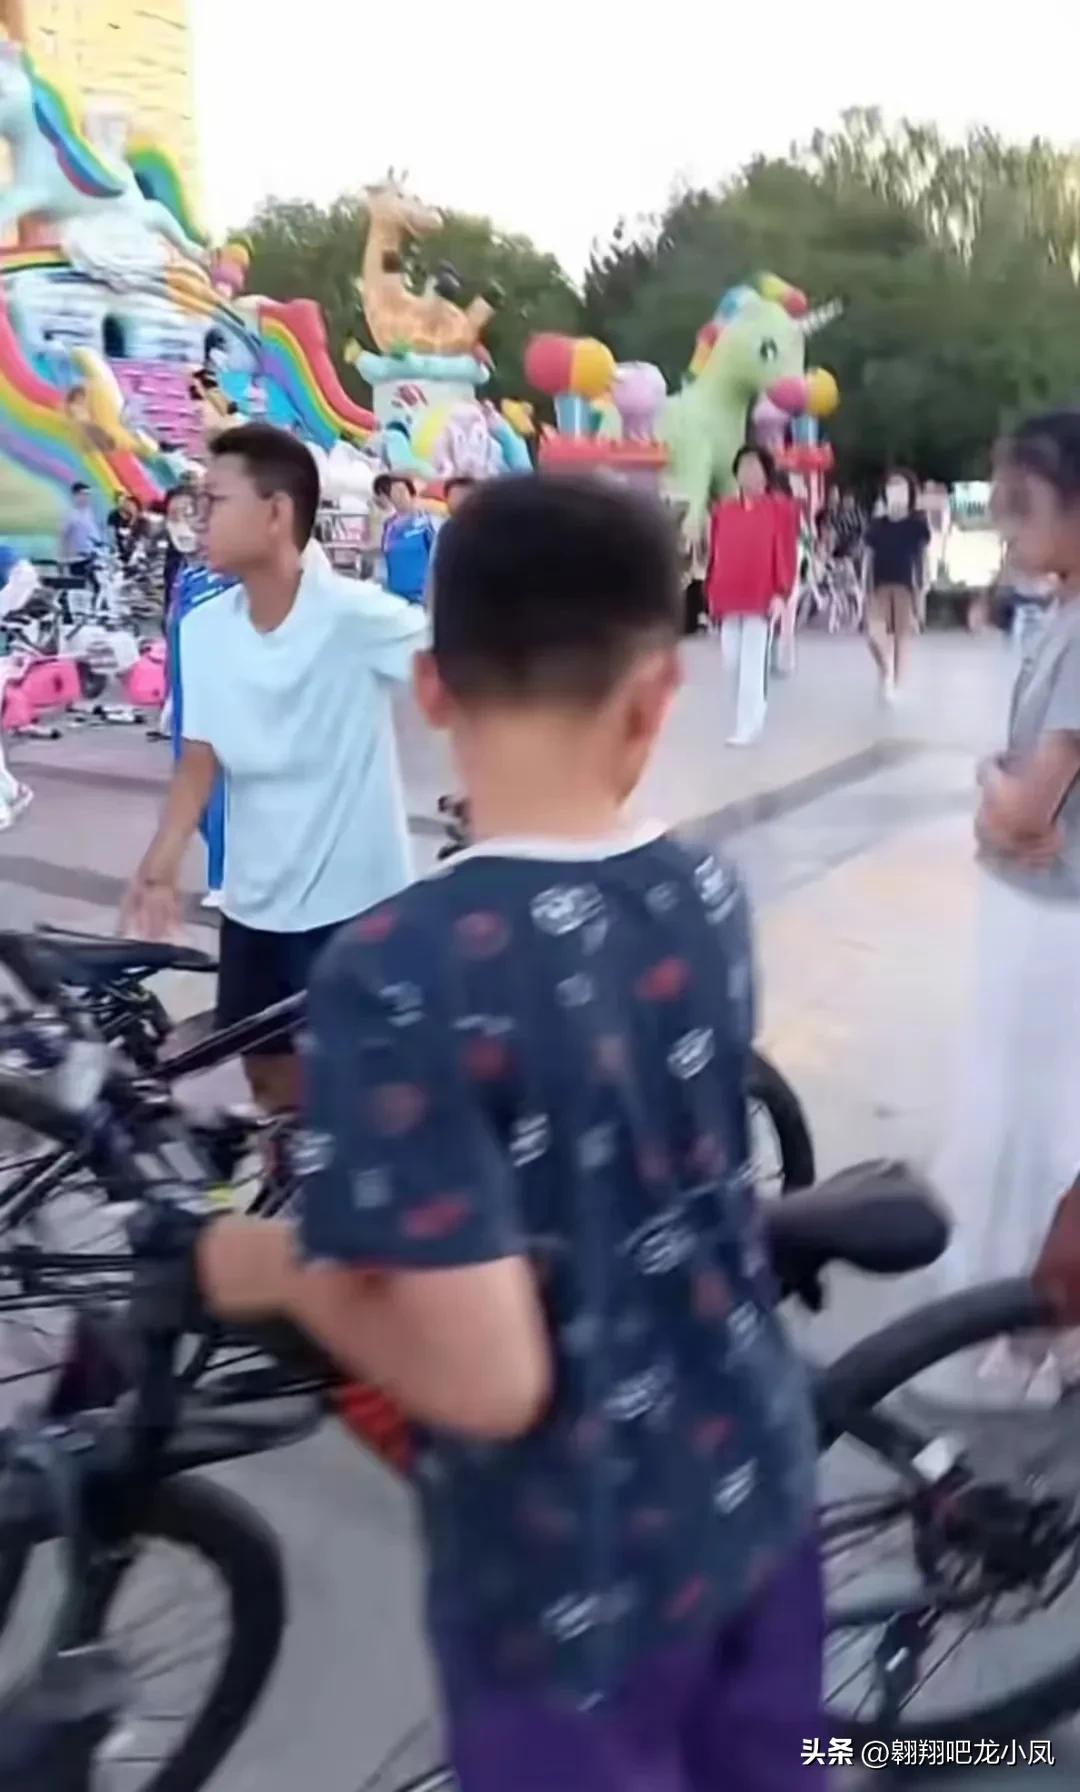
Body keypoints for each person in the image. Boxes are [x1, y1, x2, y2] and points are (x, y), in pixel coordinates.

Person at [194, 472, 821, 1792]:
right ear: (657, 696)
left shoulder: (399, 969)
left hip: (569, 1585)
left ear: (431, 690)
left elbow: (487, 1382)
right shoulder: (705, 892)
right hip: (760, 1495)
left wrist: (274, 1271)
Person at [122, 424, 428, 1112]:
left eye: (215, 500)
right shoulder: (204, 628)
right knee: (268, 1081)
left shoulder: (359, 618)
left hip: (354, 909)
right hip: (255, 901)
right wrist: (163, 857)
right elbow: (200, 757)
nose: (196, 517)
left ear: (276, 513)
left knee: (360, 1095)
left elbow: (470, 680)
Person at [930, 410, 1080, 1402]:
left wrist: (994, 784)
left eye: (1026, 506)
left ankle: (1031, 1335)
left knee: (1040, 1134)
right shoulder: (1061, 612)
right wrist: (1007, 793)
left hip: (1053, 920)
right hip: (1038, 905)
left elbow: (1028, 807)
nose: (1009, 527)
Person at [706, 447, 797, 745]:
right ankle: (752, 712)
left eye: (755, 467)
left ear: (766, 474)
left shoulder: (780, 510)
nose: (748, 472)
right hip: (728, 595)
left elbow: (786, 552)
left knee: (752, 664)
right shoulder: (724, 510)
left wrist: (781, 592)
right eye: (743, 466)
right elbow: (715, 554)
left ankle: (748, 723)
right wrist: (711, 592)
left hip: (761, 596)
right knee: (731, 661)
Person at [863, 471, 930, 702]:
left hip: (906, 587)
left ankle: (895, 687)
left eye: (900, 487)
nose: (895, 492)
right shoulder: (876, 525)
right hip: (879, 587)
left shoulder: (917, 525)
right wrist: (864, 588)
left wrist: (922, 592)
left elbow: (923, 561)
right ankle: (886, 670)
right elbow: (868, 559)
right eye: (891, 487)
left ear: (909, 493)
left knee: (901, 639)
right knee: (874, 634)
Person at [375, 472, 437, 604]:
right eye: (394, 492)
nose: (398, 496)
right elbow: (384, 557)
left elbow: (438, 555)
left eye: (402, 491)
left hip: (421, 596)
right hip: (394, 596)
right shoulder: (389, 525)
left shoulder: (427, 523)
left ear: (412, 494)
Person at [60, 482, 104, 586]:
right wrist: (62, 560)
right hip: (77, 559)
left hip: (92, 557)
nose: (86, 497)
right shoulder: (70, 514)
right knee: (79, 586)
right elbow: (64, 537)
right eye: (83, 494)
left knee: (97, 585)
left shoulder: (91, 512)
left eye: (88, 495)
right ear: (76, 496)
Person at [107, 492, 146, 568]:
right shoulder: (115, 516)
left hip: (135, 556)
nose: (129, 508)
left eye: (132, 506)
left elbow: (142, 542)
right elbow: (111, 535)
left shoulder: (142, 522)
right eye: (127, 505)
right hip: (119, 555)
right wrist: (114, 551)